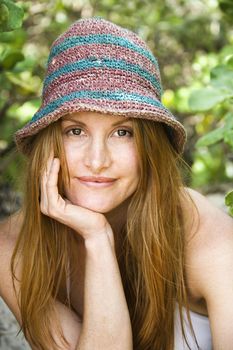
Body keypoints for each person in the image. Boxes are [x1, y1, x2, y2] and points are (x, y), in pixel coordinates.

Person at [0, 17, 233, 350]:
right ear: (49, 140)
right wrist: (97, 238)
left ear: (150, 146)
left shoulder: (200, 232)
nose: (97, 160)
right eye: (75, 131)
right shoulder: (12, 246)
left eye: (123, 132)